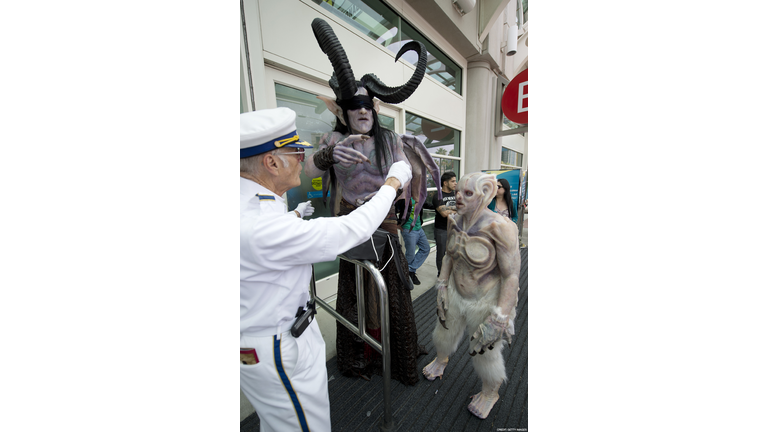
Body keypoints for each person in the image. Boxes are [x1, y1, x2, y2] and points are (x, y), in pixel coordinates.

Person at [240, 107, 412, 432]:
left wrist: (293, 217)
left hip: (279, 337)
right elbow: (350, 230)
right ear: (272, 163)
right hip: (280, 347)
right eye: (294, 150)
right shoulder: (259, 226)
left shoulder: (253, 208)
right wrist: (393, 181)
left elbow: (266, 235)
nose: (302, 156)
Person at [302, 17, 430, 385]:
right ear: (343, 110)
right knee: (353, 294)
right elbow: (307, 169)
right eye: (354, 106)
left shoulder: (389, 140)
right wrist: (329, 157)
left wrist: (397, 195)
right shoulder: (333, 139)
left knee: (392, 295)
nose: (362, 111)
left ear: (374, 110)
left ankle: (399, 360)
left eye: (367, 106)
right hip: (349, 226)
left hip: (385, 228)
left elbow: (405, 169)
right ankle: (358, 358)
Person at [422, 172, 521, 420]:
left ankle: (490, 391)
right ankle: (441, 359)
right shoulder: (454, 219)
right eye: (458, 192)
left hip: (487, 297)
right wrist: (442, 286)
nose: (459, 197)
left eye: (467, 193)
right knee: (443, 329)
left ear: (485, 195)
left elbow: (511, 277)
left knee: (486, 350)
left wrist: (500, 318)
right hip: (456, 288)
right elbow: (448, 256)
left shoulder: (502, 227)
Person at [395, 197, 429, 286]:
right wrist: (397, 223)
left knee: (426, 249)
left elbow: (427, 205)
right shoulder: (404, 198)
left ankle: (410, 270)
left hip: (419, 229)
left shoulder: (419, 197)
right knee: (410, 255)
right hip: (408, 230)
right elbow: (393, 209)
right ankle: (406, 277)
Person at [431, 171, 457, 276]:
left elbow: (464, 208)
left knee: (454, 252)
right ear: (445, 183)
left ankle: (451, 272)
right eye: (453, 181)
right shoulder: (438, 196)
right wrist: (457, 209)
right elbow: (444, 213)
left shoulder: (456, 194)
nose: (455, 183)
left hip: (455, 228)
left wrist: (450, 208)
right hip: (442, 229)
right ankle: (441, 274)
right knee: (441, 254)